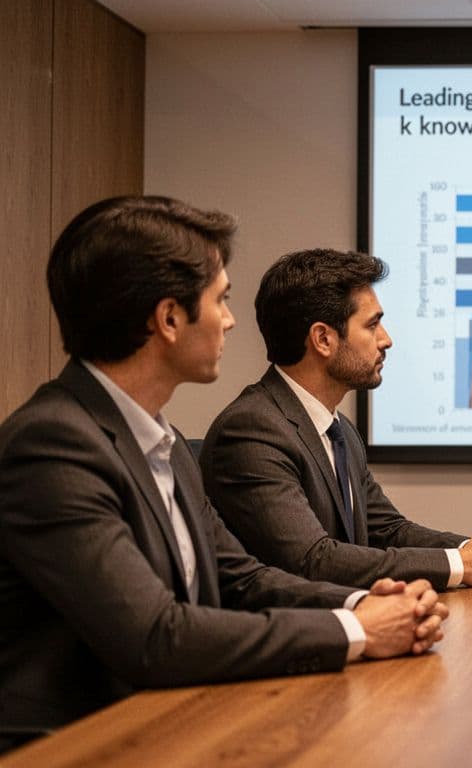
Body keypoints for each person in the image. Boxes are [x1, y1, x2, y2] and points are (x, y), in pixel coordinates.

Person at [0, 197, 447, 742]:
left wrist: (367, 603)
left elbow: (243, 578)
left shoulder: (159, 440)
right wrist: (355, 630)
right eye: (221, 300)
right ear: (169, 319)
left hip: (170, 721)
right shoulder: (54, 445)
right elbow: (155, 636)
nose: (231, 320)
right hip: (77, 744)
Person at [199, 248, 472, 590]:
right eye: (372, 324)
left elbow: (388, 530)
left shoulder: (339, 429)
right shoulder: (251, 431)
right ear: (323, 339)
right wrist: (464, 564)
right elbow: (312, 560)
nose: (386, 340)